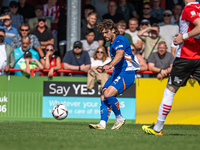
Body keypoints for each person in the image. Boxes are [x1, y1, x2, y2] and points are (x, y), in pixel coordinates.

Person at [142, 0, 200, 136]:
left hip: (186, 57)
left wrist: (183, 37)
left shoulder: (188, 9)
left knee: (170, 90)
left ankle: (157, 128)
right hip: (198, 57)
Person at [89, 19, 140, 130]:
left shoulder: (119, 39)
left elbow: (120, 54)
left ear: (113, 30)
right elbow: (117, 59)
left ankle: (119, 118)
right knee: (103, 94)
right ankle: (102, 124)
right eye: (103, 33)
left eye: (106, 32)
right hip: (118, 71)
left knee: (108, 94)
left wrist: (110, 65)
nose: (104, 35)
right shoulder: (112, 43)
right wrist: (104, 66)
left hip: (126, 72)